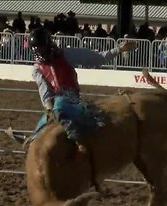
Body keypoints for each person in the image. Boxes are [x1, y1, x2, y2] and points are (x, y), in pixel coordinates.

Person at [27, 27, 136, 155]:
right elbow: (43, 87)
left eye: (41, 49)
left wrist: (118, 49)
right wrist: (47, 104)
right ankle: (33, 139)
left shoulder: (66, 54)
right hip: (53, 101)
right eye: (37, 50)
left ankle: (78, 137)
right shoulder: (36, 68)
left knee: (59, 107)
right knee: (41, 125)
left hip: (71, 98)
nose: (40, 53)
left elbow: (95, 58)